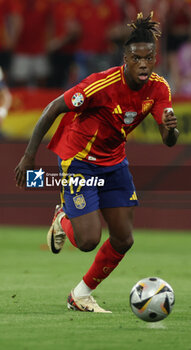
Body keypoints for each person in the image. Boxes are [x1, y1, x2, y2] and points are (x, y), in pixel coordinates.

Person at [15, 12, 179, 313]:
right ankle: (62, 219)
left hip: (115, 163)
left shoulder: (159, 89)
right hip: (80, 161)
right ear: (125, 59)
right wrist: (29, 157)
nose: (144, 63)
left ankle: (80, 295)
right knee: (89, 239)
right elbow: (52, 109)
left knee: (123, 239)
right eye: (137, 57)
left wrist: (171, 128)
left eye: (149, 57)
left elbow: (169, 141)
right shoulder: (99, 85)